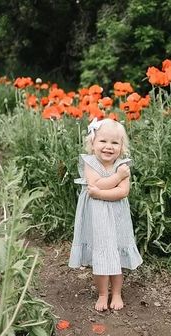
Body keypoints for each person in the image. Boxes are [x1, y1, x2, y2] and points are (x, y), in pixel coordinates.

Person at [68, 118, 142, 311]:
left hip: (117, 218)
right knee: (101, 255)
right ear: (92, 143)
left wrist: (102, 192)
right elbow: (96, 183)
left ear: (121, 147)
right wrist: (114, 181)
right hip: (96, 218)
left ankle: (116, 293)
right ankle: (103, 294)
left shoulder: (122, 166)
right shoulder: (89, 163)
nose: (108, 147)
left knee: (115, 255)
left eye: (114, 143)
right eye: (103, 141)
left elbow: (122, 192)